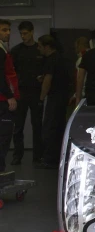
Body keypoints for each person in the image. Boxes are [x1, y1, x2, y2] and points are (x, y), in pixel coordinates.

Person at [35, 35, 72, 169]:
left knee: (49, 127)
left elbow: (48, 81)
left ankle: (49, 158)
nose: (38, 49)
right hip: (63, 97)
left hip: (54, 97)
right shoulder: (62, 58)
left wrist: (41, 98)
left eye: (39, 46)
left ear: (47, 46)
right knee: (59, 126)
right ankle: (57, 156)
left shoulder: (50, 60)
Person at [10, 20, 43, 165]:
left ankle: (37, 156)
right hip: (21, 93)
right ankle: (17, 156)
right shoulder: (16, 51)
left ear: (32, 32)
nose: (23, 36)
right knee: (18, 126)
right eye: (21, 34)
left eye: (25, 33)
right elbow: (11, 72)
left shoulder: (39, 50)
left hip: (36, 92)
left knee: (37, 125)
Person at [0, 20, 19, 173]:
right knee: (4, 137)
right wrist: (9, 96)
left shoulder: (3, 49)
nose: (8, 33)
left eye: (8, 30)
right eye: (4, 30)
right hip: (2, 101)